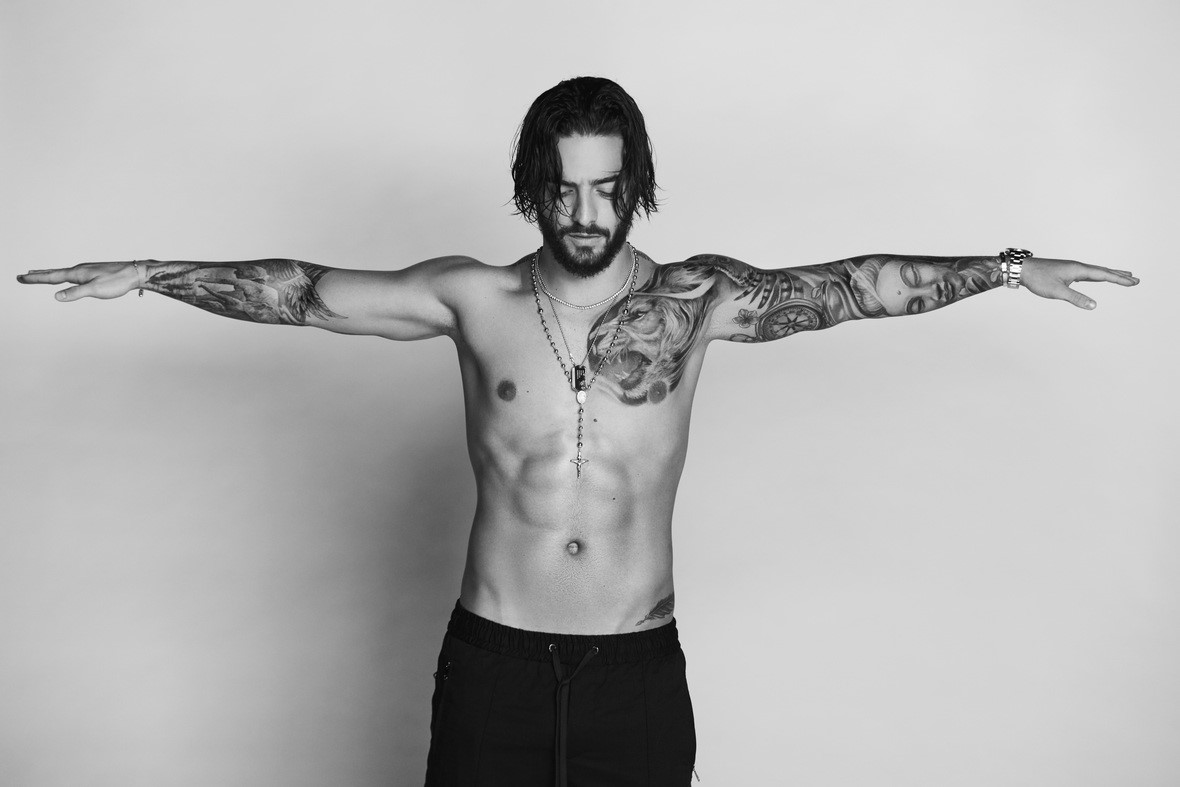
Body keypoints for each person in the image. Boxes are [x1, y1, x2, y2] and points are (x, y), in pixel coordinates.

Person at [16, 76, 1139, 786]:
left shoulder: (697, 299)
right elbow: (307, 293)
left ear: (635, 185)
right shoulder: (473, 299)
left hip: (633, 673)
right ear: (532, 191)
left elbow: (850, 287)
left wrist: (1006, 267)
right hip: (493, 663)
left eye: (606, 190)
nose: (586, 214)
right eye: (563, 191)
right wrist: (152, 271)